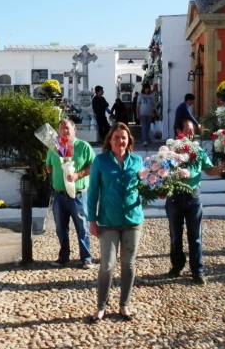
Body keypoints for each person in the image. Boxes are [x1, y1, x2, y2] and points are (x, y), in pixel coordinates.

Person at [86, 122, 144, 322]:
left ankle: (124, 305)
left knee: (128, 264)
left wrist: (159, 190)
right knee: (107, 265)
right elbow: (93, 192)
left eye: (124, 138)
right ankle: (101, 306)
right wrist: (91, 219)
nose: (120, 141)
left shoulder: (137, 161)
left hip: (132, 219)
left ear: (129, 141)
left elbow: (146, 186)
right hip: (108, 220)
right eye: (116, 137)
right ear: (110, 140)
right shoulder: (100, 161)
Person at [166, 120, 225, 285]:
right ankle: (177, 266)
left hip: (193, 197)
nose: (189, 133)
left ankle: (197, 270)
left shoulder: (199, 151)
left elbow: (209, 169)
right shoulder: (171, 150)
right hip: (175, 197)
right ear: (179, 131)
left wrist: (223, 168)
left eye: (191, 131)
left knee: (196, 236)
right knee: (175, 236)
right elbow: (162, 170)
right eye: (186, 130)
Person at [45, 119, 95, 269]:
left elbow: (93, 165)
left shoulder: (83, 146)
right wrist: (53, 169)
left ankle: (86, 258)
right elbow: (48, 166)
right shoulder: (54, 147)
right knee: (61, 228)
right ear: (58, 131)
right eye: (61, 129)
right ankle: (63, 257)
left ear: (74, 130)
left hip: (78, 195)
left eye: (67, 128)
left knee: (82, 227)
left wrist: (77, 175)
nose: (64, 131)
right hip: (59, 195)